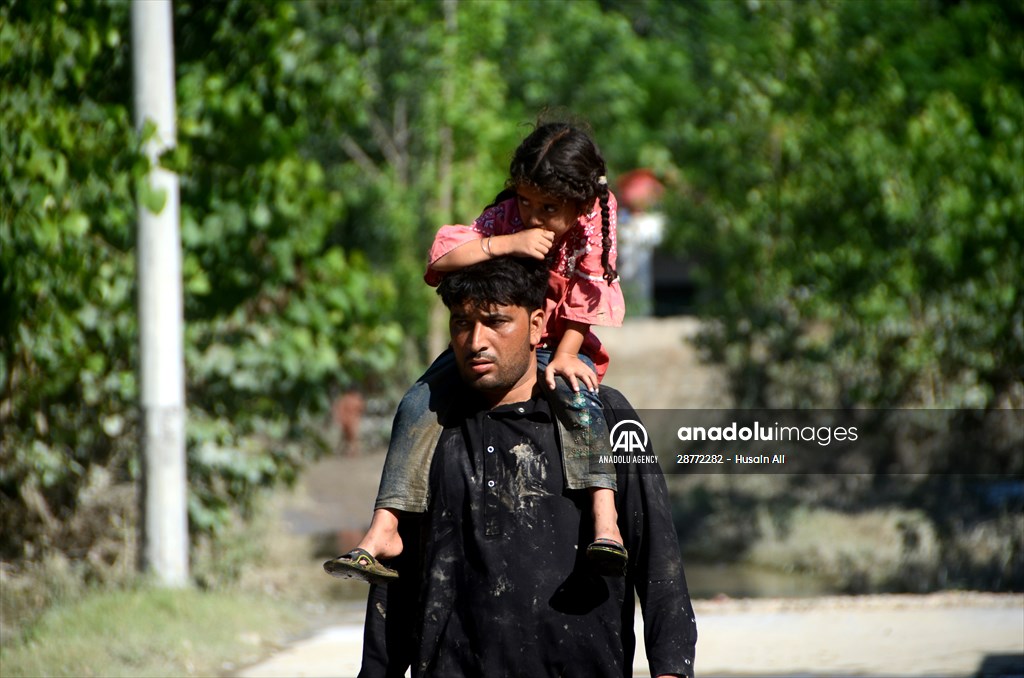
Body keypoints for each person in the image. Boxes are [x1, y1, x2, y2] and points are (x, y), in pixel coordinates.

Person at [354, 255, 696, 678]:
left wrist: (671, 671)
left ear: (536, 325)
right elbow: (399, 577)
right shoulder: (432, 428)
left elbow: (658, 558)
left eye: (497, 321)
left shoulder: (603, 417)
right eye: (461, 322)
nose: (476, 340)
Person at [327, 121, 629, 583]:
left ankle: (605, 519)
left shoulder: (597, 220)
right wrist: (507, 243)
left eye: (548, 208)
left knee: (579, 402)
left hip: (561, 338)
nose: (533, 215)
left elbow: (590, 292)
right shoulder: (510, 218)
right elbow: (441, 258)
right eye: (526, 201)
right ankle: (386, 526)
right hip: (495, 341)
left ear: (582, 202)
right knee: (416, 402)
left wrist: (568, 353)